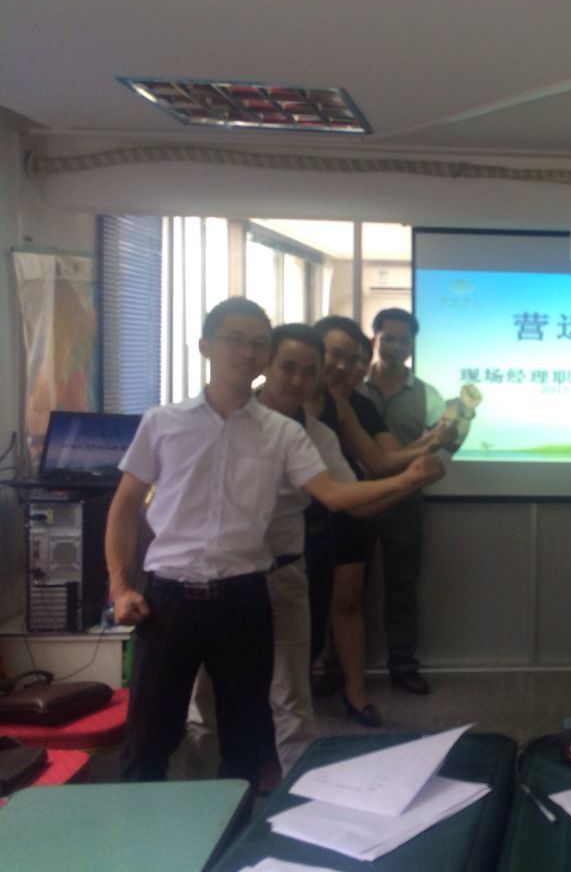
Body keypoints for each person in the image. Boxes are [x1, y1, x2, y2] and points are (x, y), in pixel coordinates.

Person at [105, 298, 437, 783]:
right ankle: (174, 818)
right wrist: (119, 587)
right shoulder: (163, 422)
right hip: (170, 597)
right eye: (235, 340)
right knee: (151, 736)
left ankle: (245, 816)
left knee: (249, 734)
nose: (246, 352)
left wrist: (406, 480)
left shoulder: (286, 434)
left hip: (246, 595)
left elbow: (334, 493)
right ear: (205, 346)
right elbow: (125, 504)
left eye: (257, 344)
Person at [309, 314, 445, 718]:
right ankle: (325, 678)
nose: (345, 367)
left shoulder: (350, 407)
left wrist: (429, 448)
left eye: (353, 359)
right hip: (297, 527)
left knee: (361, 597)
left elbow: (380, 461)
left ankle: (364, 687)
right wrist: (412, 471)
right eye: (336, 355)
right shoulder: (277, 408)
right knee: (311, 610)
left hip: (358, 508)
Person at [358, 308, 482, 695]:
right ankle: (337, 668)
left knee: (402, 587)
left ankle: (402, 665)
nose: (395, 346)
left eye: (403, 340)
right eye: (388, 338)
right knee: (348, 590)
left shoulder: (428, 394)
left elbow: (445, 442)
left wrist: (462, 419)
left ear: (412, 346)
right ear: (375, 338)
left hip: (404, 501)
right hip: (353, 500)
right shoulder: (352, 388)